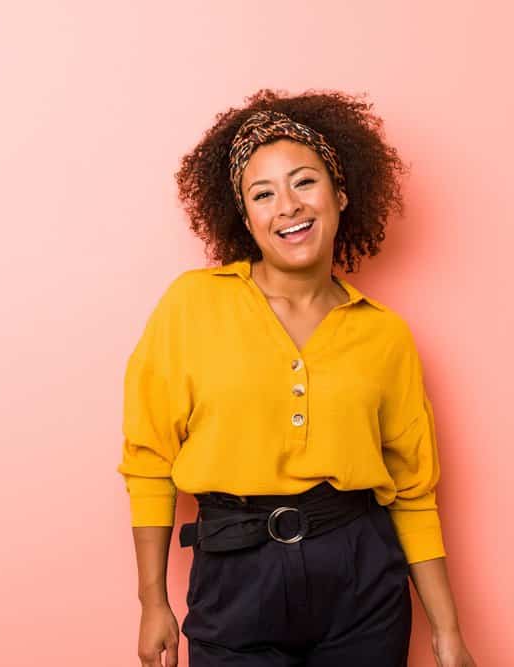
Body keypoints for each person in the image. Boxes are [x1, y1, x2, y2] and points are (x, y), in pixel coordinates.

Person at [117, 88, 476, 667]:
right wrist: (152, 600)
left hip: (361, 576)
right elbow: (149, 462)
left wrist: (447, 631)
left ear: (340, 194)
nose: (286, 205)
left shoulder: (385, 335)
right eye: (263, 194)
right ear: (245, 217)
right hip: (235, 575)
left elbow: (413, 491)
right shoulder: (192, 305)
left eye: (303, 182)